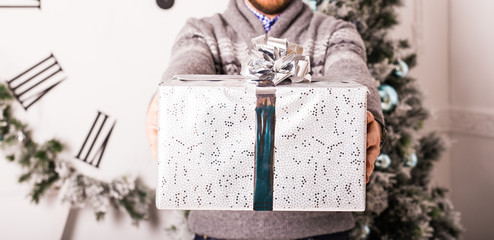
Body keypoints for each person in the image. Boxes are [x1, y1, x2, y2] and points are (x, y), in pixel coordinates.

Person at [146, 0, 385, 239]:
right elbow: (185, 68)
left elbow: (352, 72)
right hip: (217, 233)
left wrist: (369, 118)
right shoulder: (202, 32)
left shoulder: (334, 33)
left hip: (321, 233)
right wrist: (164, 103)